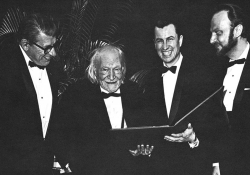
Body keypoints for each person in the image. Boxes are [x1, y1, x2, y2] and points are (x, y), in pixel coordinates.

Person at [131, 12, 229, 175]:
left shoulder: (204, 76)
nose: (165, 46)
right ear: (154, 44)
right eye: (159, 41)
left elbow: (219, 128)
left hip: (196, 166)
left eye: (170, 39)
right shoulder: (147, 82)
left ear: (180, 40)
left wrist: (194, 140)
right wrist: (143, 147)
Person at [58, 44, 146, 175]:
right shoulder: (76, 94)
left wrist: (142, 147)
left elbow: (146, 131)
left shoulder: (135, 91)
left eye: (116, 69)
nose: (111, 76)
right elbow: (58, 133)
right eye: (105, 69)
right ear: (95, 70)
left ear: (123, 69)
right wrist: (68, 165)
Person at [0, 13, 63, 175]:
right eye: (47, 48)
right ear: (25, 44)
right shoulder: (5, 69)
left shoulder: (54, 69)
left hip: (43, 163)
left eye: (54, 45)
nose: (53, 53)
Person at [210, 3, 250, 175]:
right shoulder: (214, 71)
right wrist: (216, 164)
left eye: (218, 33)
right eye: (211, 33)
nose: (211, 40)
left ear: (238, 30)